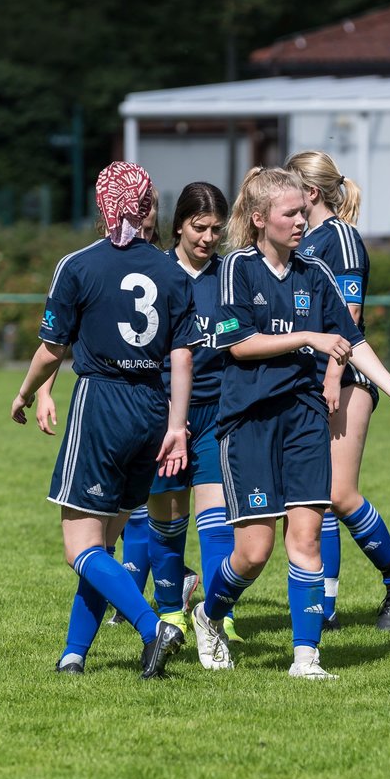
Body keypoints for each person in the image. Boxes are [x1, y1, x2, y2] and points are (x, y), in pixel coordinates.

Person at [189, 166, 390, 679]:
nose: (301, 221)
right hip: (249, 421)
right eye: (290, 213)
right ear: (259, 219)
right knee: (254, 551)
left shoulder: (314, 271)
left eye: (303, 211)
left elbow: (354, 341)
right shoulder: (236, 270)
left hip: (303, 417)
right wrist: (308, 337)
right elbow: (239, 344)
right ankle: (208, 614)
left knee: (307, 537)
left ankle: (306, 656)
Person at [11, 161, 200, 679]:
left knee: (81, 547)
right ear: (147, 208)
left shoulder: (79, 265)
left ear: (104, 206)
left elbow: (52, 349)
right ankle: (73, 656)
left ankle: (152, 626)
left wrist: (27, 393)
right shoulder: (171, 271)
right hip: (152, 410)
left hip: (101, 404)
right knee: (105, 545)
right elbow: (181, 359)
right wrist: (177, 426)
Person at [285, 150, 390, 632]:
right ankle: (326, 605)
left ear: (311, 193)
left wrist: (332, 376)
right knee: (315, 497)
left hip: (345, 376)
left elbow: (351, 320)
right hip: (310, 377)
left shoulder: (339, 237)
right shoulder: (302, 240)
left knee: (339, 493)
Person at [138, 182, 246, 643]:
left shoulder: (231, 276)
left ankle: (220, 617)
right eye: (198, 228)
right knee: (169, 514)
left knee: (219, 517)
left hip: (219, 413)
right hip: (164, 414)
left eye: (216, 230)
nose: (207, 238)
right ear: (179, 224)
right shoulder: (155, 273)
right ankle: (171, 613)